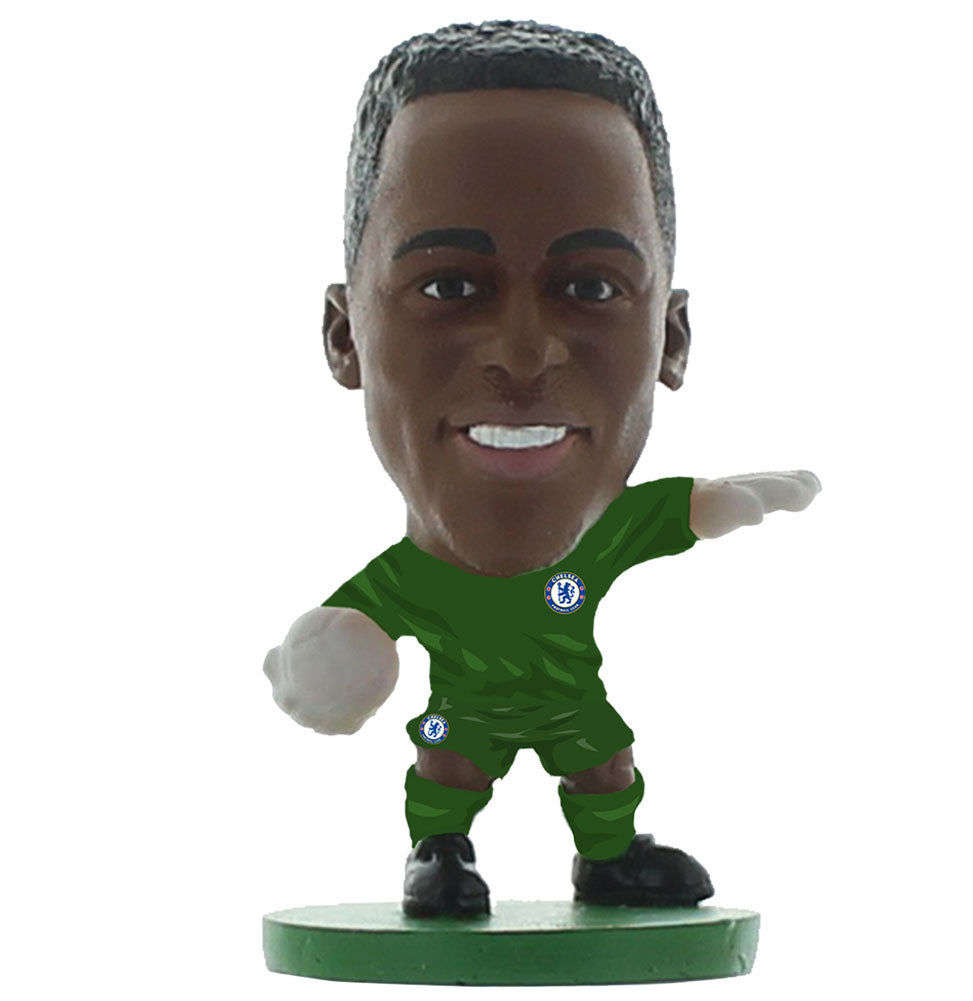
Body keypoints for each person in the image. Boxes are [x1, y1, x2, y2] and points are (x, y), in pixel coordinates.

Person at [264, 20, 820, 918]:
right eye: (448, 286)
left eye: (591, 287)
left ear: (670, 341)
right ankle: (439, 848)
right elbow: (350, 627)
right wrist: (325, 662)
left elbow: (686, 510)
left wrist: (755, 495)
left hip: (571, 705)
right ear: (344, 337)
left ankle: (608, 854)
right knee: (445, 766)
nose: (523, 358)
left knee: (607, 763)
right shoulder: (407, 580)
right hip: (462, 716)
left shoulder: (602, 540)